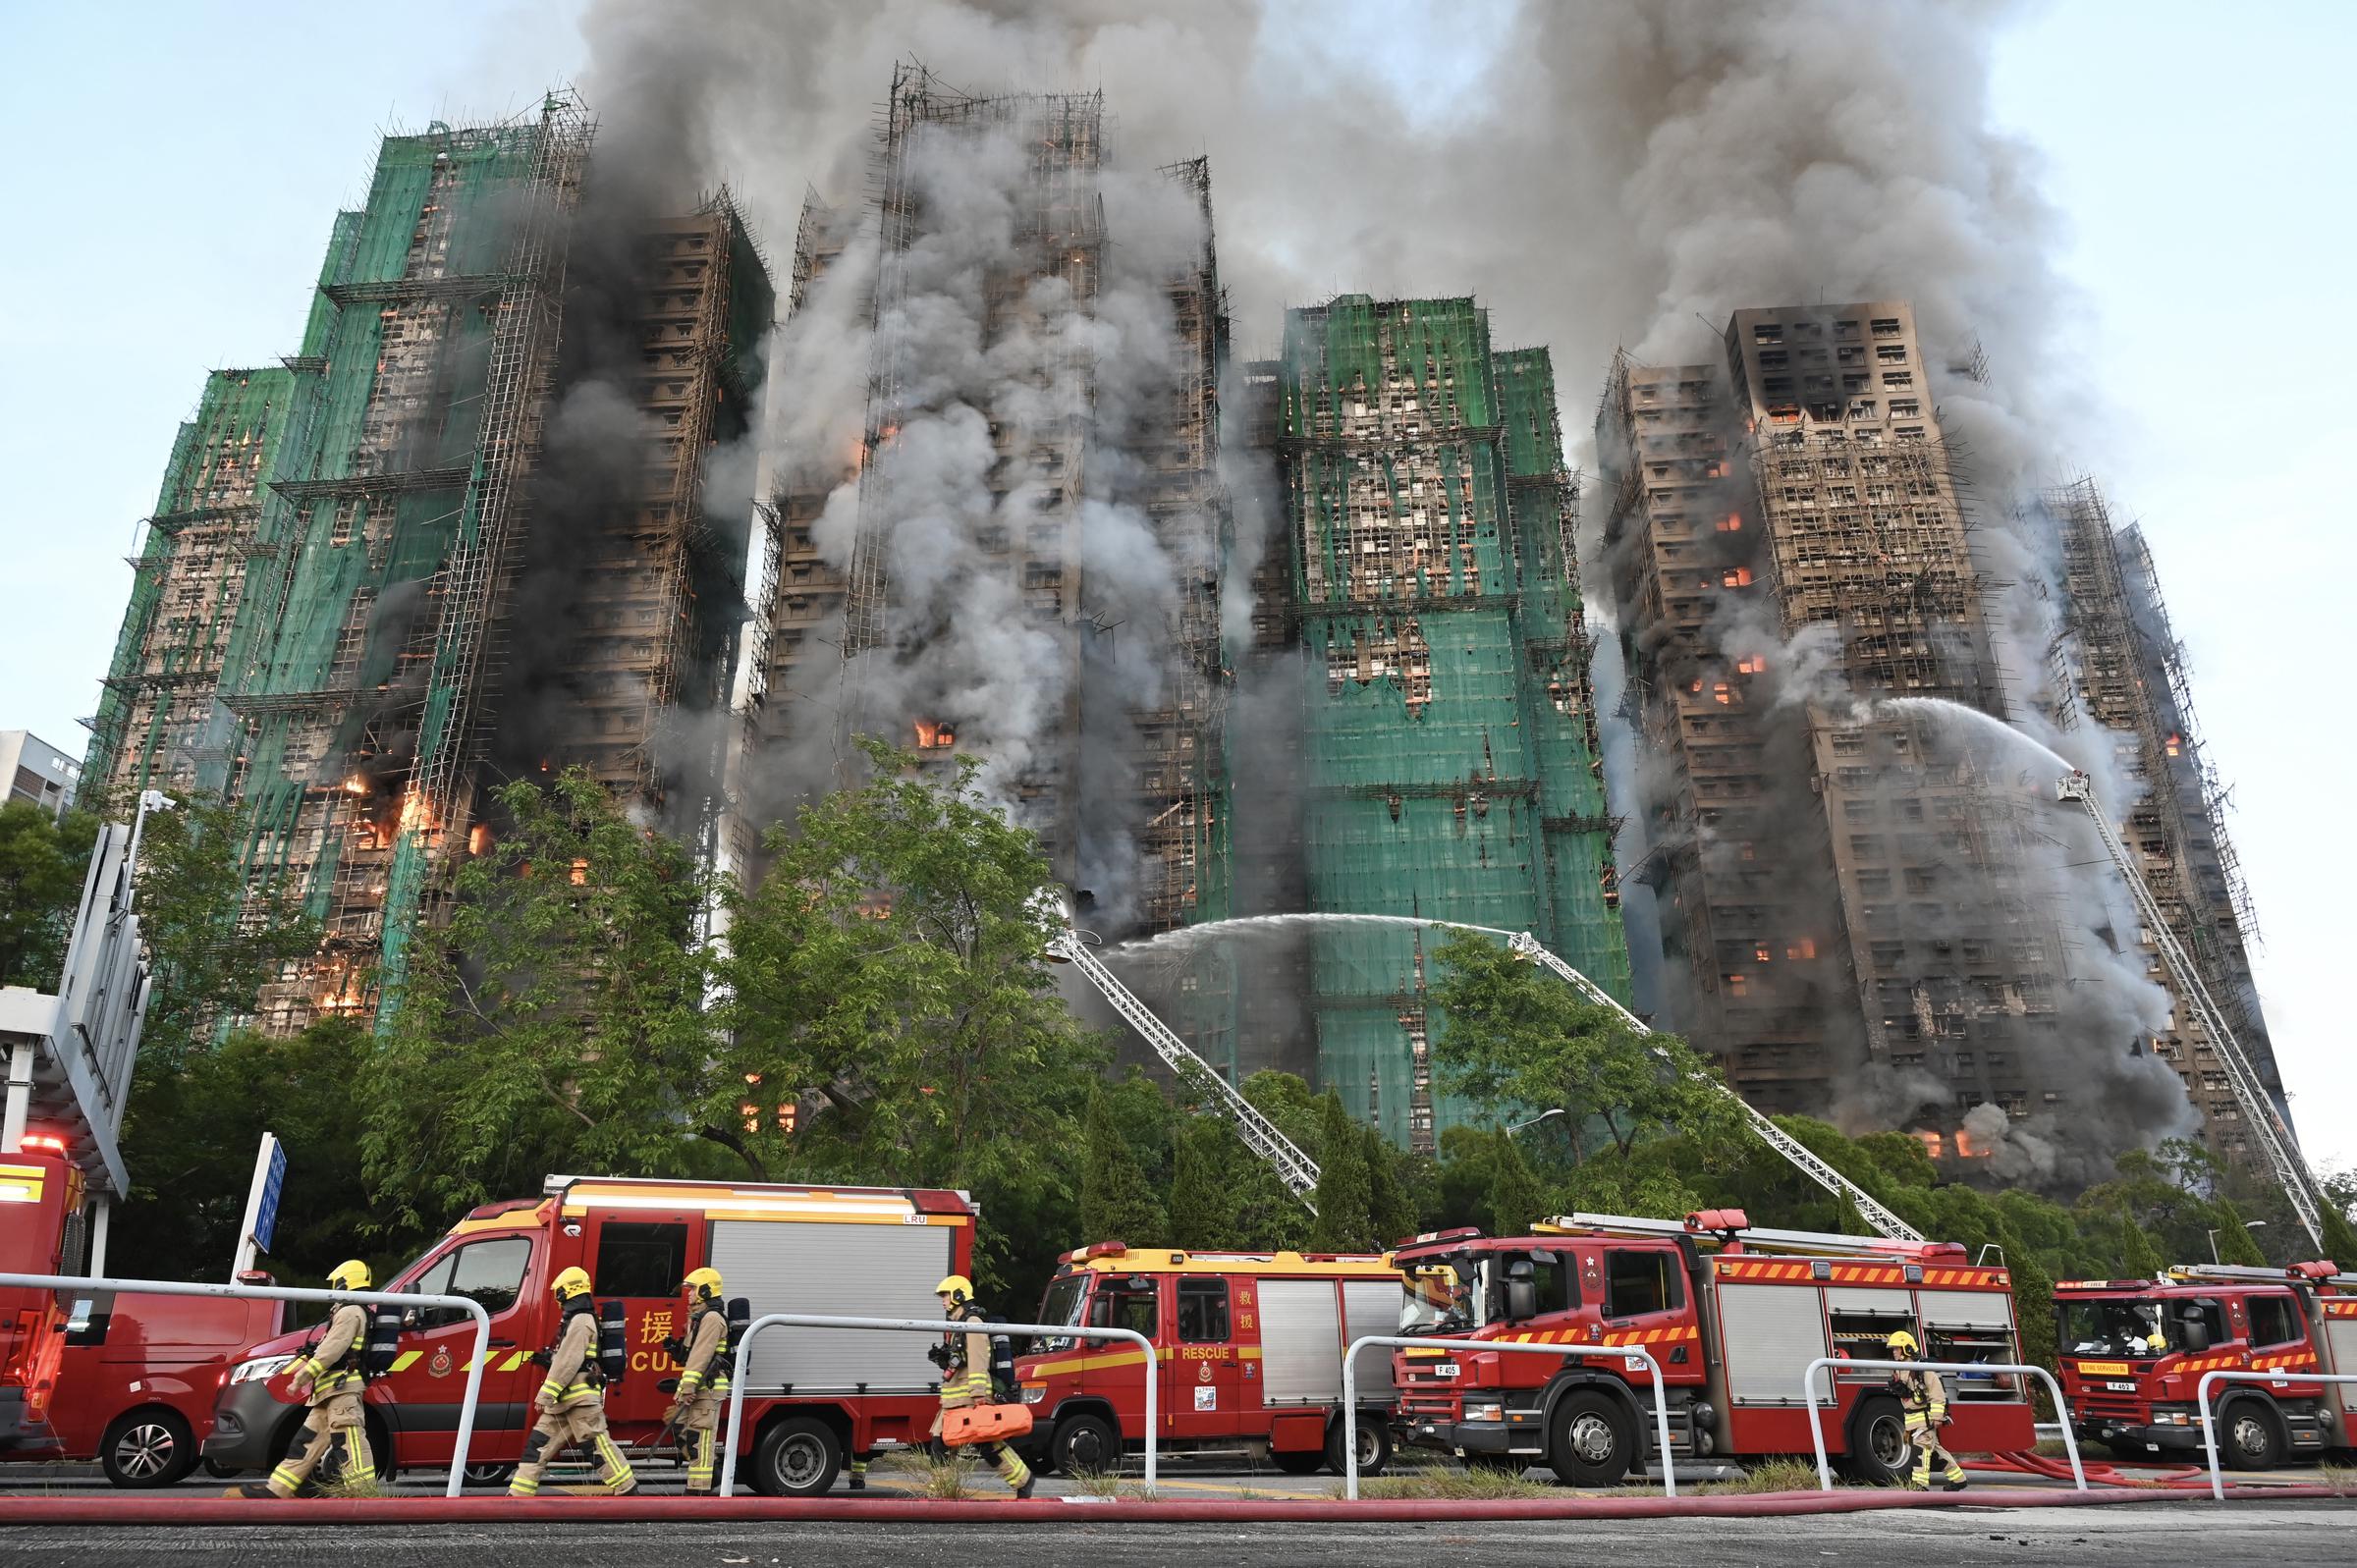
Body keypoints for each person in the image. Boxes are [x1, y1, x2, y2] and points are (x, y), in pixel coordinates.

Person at [232, 1259, 376, 1498]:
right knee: (305, 1443)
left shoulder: (350, 1312)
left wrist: (301, 1378)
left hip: (342, 1391)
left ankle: (363, 1495)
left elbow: (331, 1351)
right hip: (328, 1392)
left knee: (349, 1442)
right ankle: (277, 1489)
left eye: (336, 1284)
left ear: (344, 1283)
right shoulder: (349, 1311)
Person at [510, 1266, 635, 1498]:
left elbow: (568, 1362)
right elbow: (565, 1359)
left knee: (597, 1446)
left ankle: (628, 1489)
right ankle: (517, 1497)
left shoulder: (581, 1321)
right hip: (564, 1401)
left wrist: (545, 1394)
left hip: (579, 1401)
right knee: (537, 1446)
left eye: (558, 1293)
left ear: (566, 1292)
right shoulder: (577, 1320)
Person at [930, 1273, 1033, 1499]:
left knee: (982, 1445)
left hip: (967, 1397)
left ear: (958, 1295)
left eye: (945, 1295)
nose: (943, 1300)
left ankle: (1023, 1480)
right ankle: (943, 1492)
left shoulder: (972, 1323)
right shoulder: (958, 1324)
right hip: (955, 1399)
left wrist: (979, 1395)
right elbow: (962, 1360)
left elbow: (978, 1359)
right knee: (943, 1444)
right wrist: (943, 1359)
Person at [663, 1267, 731, 1495]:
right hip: (699, 1387)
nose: (689, 1294)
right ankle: (714, 1474)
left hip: (707, 1389)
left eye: (692, 1289)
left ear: (705, 1290)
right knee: (678, 1424)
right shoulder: (700, 1317)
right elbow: (692, 1354)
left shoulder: (712, 1318)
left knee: (699, 1438)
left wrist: (688, 1386)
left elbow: (701, 1356)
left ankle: (699, 1490)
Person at [1886, 1329, 1965, 1492]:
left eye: (1896, 1348)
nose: (1893, 1352)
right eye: (1892, 1349)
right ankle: (1959, 1480)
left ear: (1906, 1348)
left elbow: (1937, 1394)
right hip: (1912, 1419)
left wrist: (1937, 1417)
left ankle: (1919, 1485)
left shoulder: (1923, 1369)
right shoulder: (1899, 1369)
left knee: (1920, 1450)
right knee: (1936, 1453)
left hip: (1925, 1419)